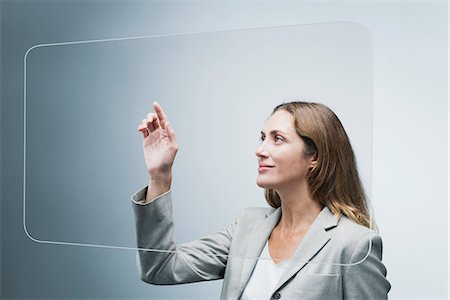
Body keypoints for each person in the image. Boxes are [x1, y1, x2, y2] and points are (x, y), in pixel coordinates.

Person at [131, 100, 391, 299]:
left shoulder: (354, 244)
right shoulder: (247, 226)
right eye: (262, 137)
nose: (260, 150)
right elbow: (160, 267)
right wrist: (160, 176)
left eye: (277, 139)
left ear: (315, 158)